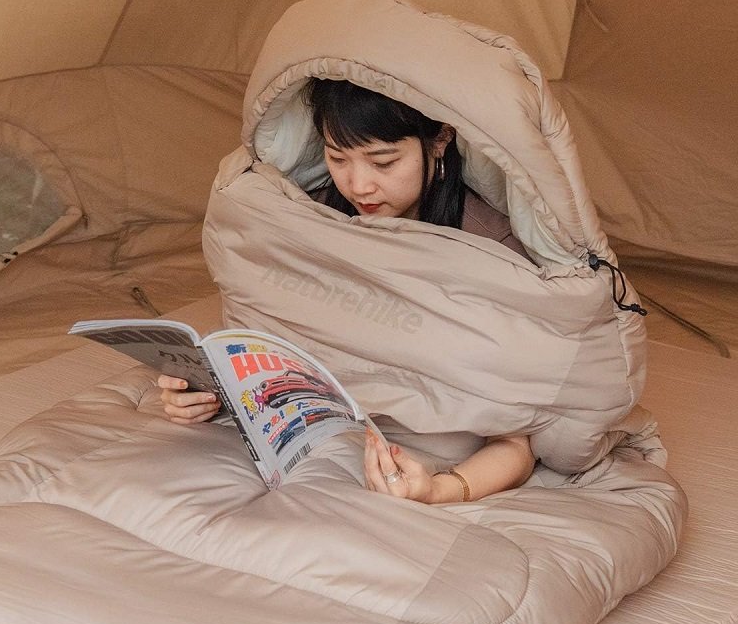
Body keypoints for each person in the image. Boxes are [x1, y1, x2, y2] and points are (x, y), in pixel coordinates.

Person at [160, 78, 536, 504]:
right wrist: (209, 395)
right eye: (337, 157)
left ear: (439, 141)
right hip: (316, 439)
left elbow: (515, 442)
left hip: (423, 455)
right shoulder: (309, 217)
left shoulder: (492, 248)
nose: (358, 186)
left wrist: (440, 489)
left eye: (383, 162)